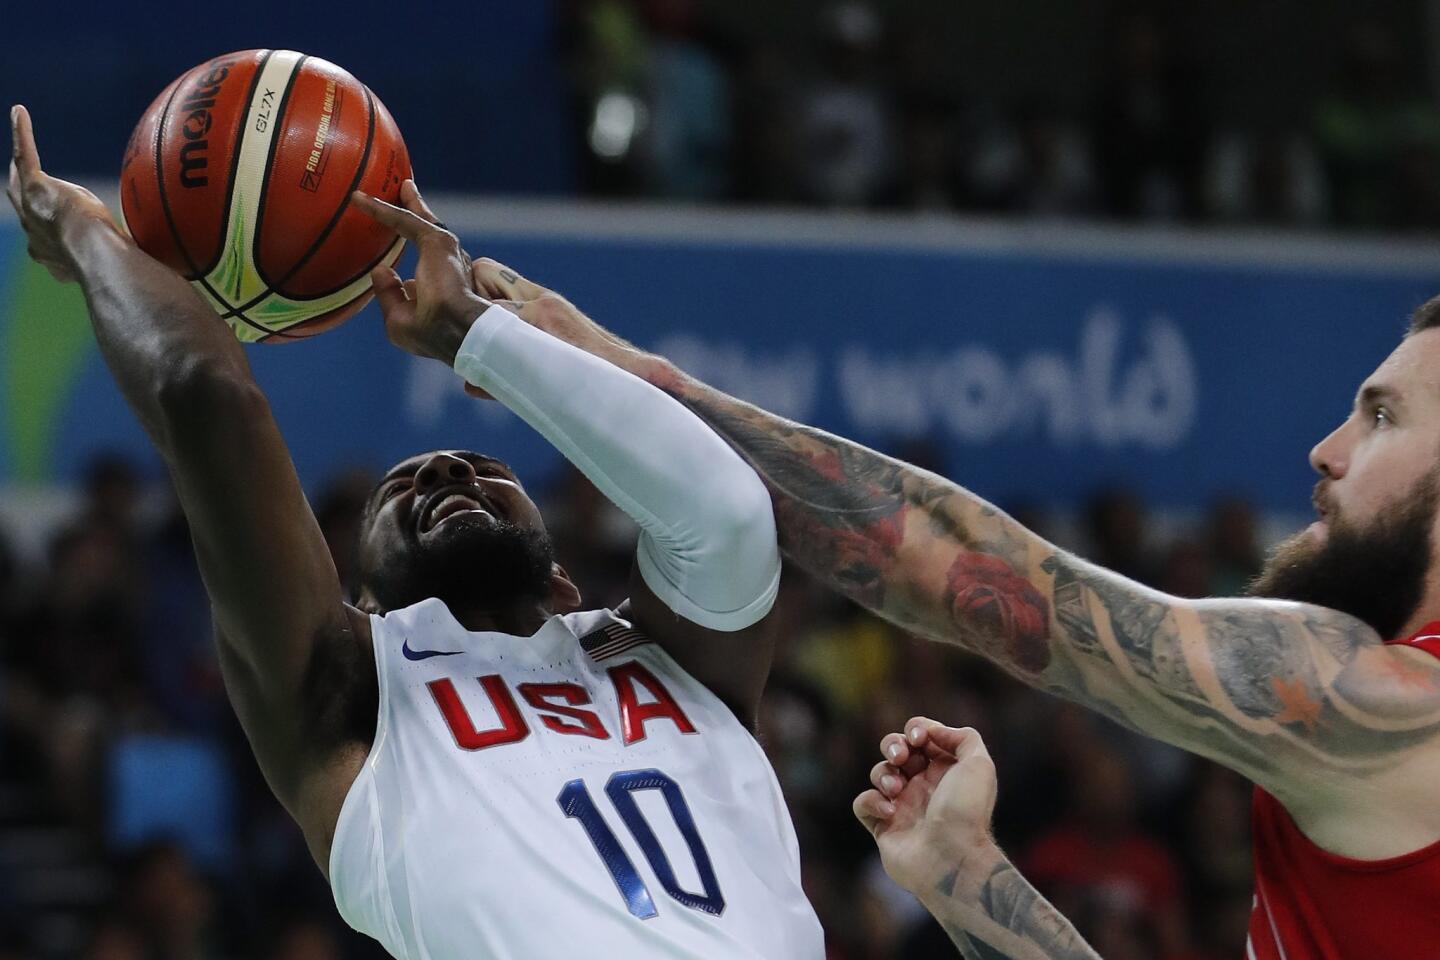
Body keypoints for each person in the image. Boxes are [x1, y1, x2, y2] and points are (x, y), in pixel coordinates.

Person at [441, 235, 1440, 959]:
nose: (1329, 449)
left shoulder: (1392, 711)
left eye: (1383, 417)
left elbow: (951, 565)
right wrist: (966, 877)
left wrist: (615, 375)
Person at [6, 105, 822, 959]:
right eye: (403, 487)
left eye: (484, 470)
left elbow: (725, 511)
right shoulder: (346, 691)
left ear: (564, 584)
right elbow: (208, 400)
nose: (445, 473)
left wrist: (481, 339)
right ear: (359, 598)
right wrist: (85, 230)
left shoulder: (670, 657)